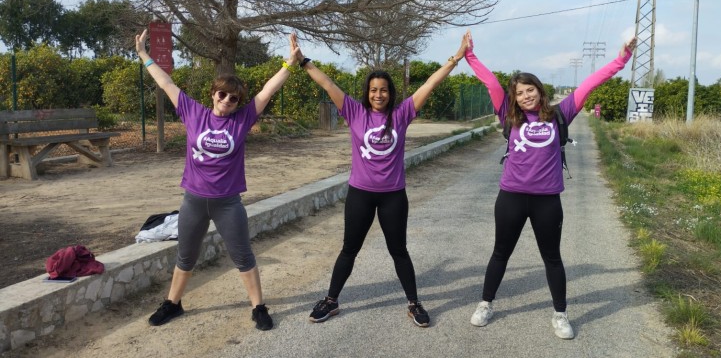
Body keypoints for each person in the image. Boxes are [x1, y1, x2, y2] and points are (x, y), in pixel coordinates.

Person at [464, 30, 637, 339]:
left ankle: (560, 314)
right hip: (511, 197)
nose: (525, 96)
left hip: (546, 200)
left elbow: (590, 84)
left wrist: (621, 59)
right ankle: (485, 304)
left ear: (540, 91)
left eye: (530, 89)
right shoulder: (509, 116)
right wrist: (469, 54)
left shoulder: (560, 114)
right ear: (514, 98)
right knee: (500, 253)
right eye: (519, 93)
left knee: (552, 258)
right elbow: (491, 84)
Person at [296, 32, 471, 327]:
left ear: (391, 93)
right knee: (349, 249)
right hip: (360, 194)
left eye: (384, 90)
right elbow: (328, 84)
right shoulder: (354, 112)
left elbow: (430, 84)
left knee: (398, 250)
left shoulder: (402, 114)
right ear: (367, 92)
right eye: (374, 90)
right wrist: (303, 62)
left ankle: (414, 303)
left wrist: (457, 57)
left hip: (393, 196)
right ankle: (331, 300)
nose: (379, 95)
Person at [135, 29, 301, 331]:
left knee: (243, 255)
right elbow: (166, 82)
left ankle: (258, 307)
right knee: (186, 255)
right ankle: (173, 303)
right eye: (222, 94)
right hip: (194, 201)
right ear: (213, 93)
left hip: (228, 204)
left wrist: (289, 64)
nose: (226, 100)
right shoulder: (193, 112)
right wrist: (144, 55)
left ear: (238, 103)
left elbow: (267, 91)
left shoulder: (242, 119)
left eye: (233, 98)